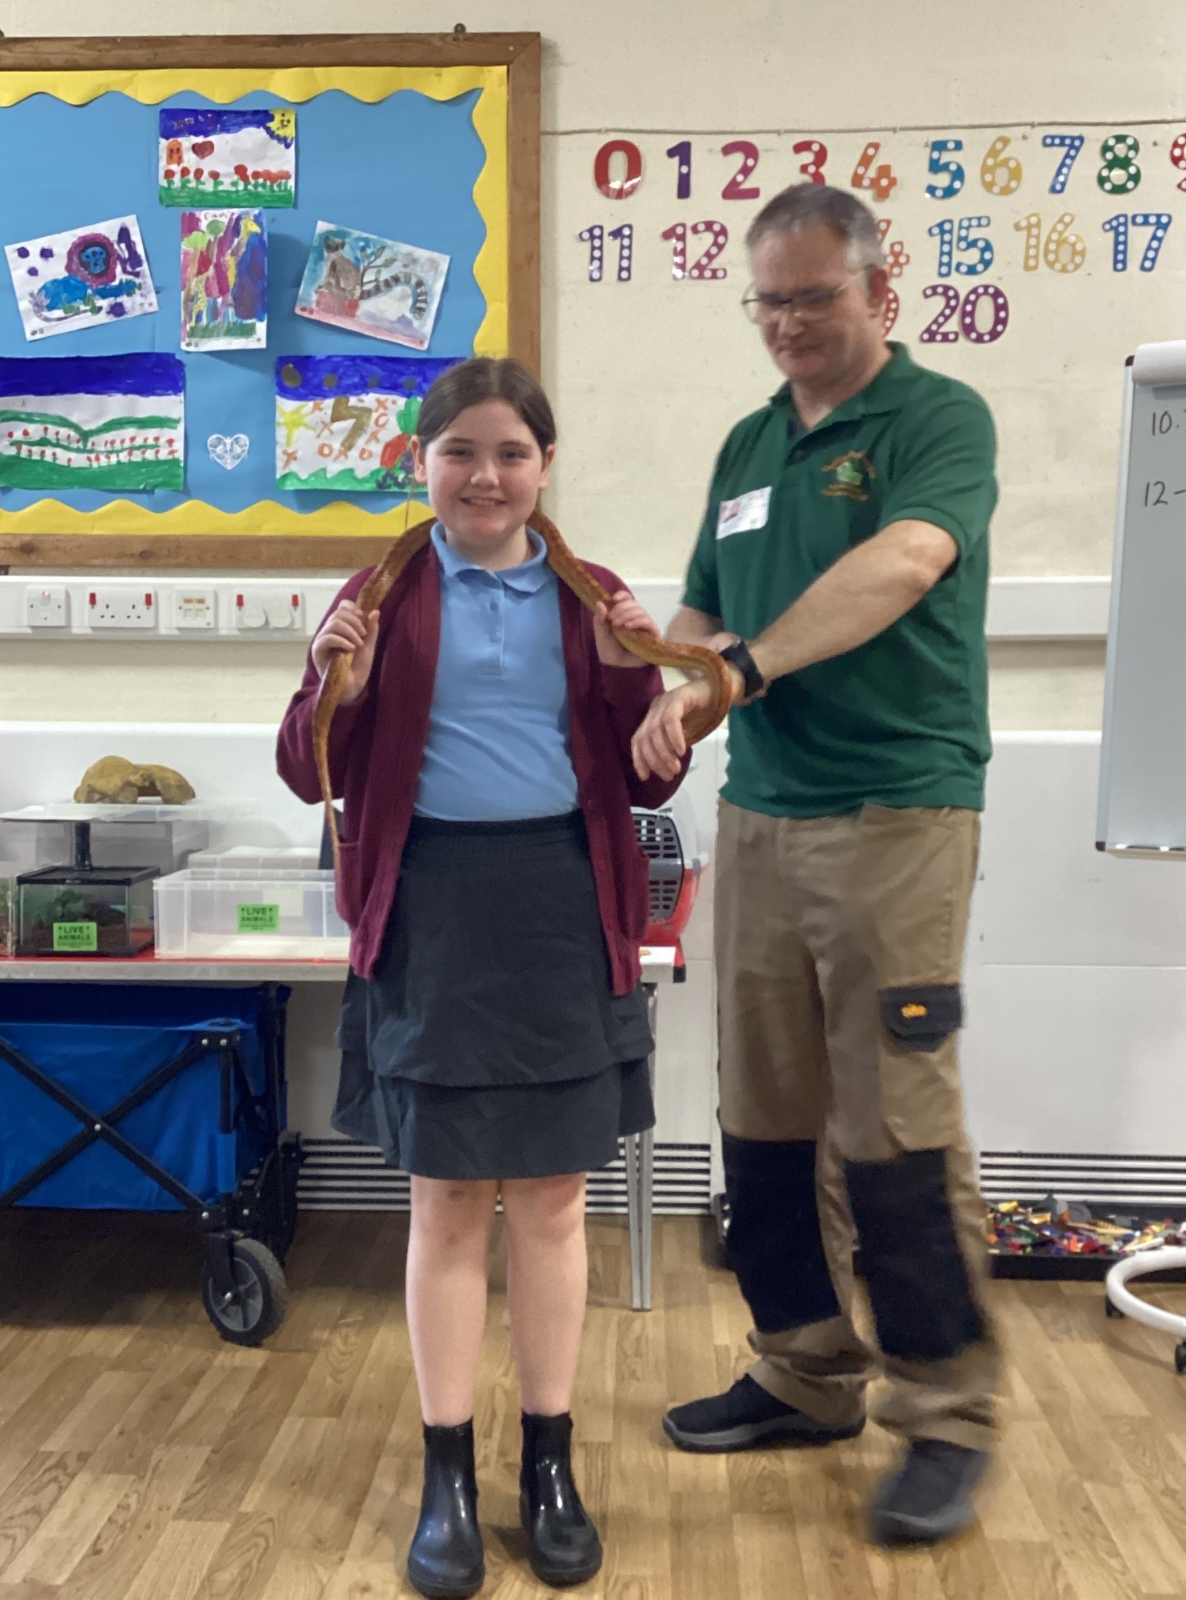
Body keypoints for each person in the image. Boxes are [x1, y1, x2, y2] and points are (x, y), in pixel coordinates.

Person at [278, 357, 684, 1599]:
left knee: (554, 1198)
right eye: (459, 451)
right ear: (422, 464)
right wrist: (331, 682)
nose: (486, 476)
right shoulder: (379, 594)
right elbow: (304, 768)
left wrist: (643, 682)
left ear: (545, 466)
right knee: (448, 1198)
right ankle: (445, 1473)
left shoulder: (591, 593)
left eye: (511, 452)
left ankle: (548, 1464)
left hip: (564, 902)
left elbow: (650, 771)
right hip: (433, 911)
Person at [631, 183, 1001, 1547]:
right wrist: (667, 684)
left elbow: (905, 562)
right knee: (766, 1118)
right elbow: (702, 606)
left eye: (812, 298)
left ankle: (946, 1413)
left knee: (894, 1124)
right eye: (767, 302)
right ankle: (803, 1371)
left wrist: (741, 667)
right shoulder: (748, 442)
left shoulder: (937, 420)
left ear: (879, 290)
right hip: (763, 813)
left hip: (899, 812)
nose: (786, 323)